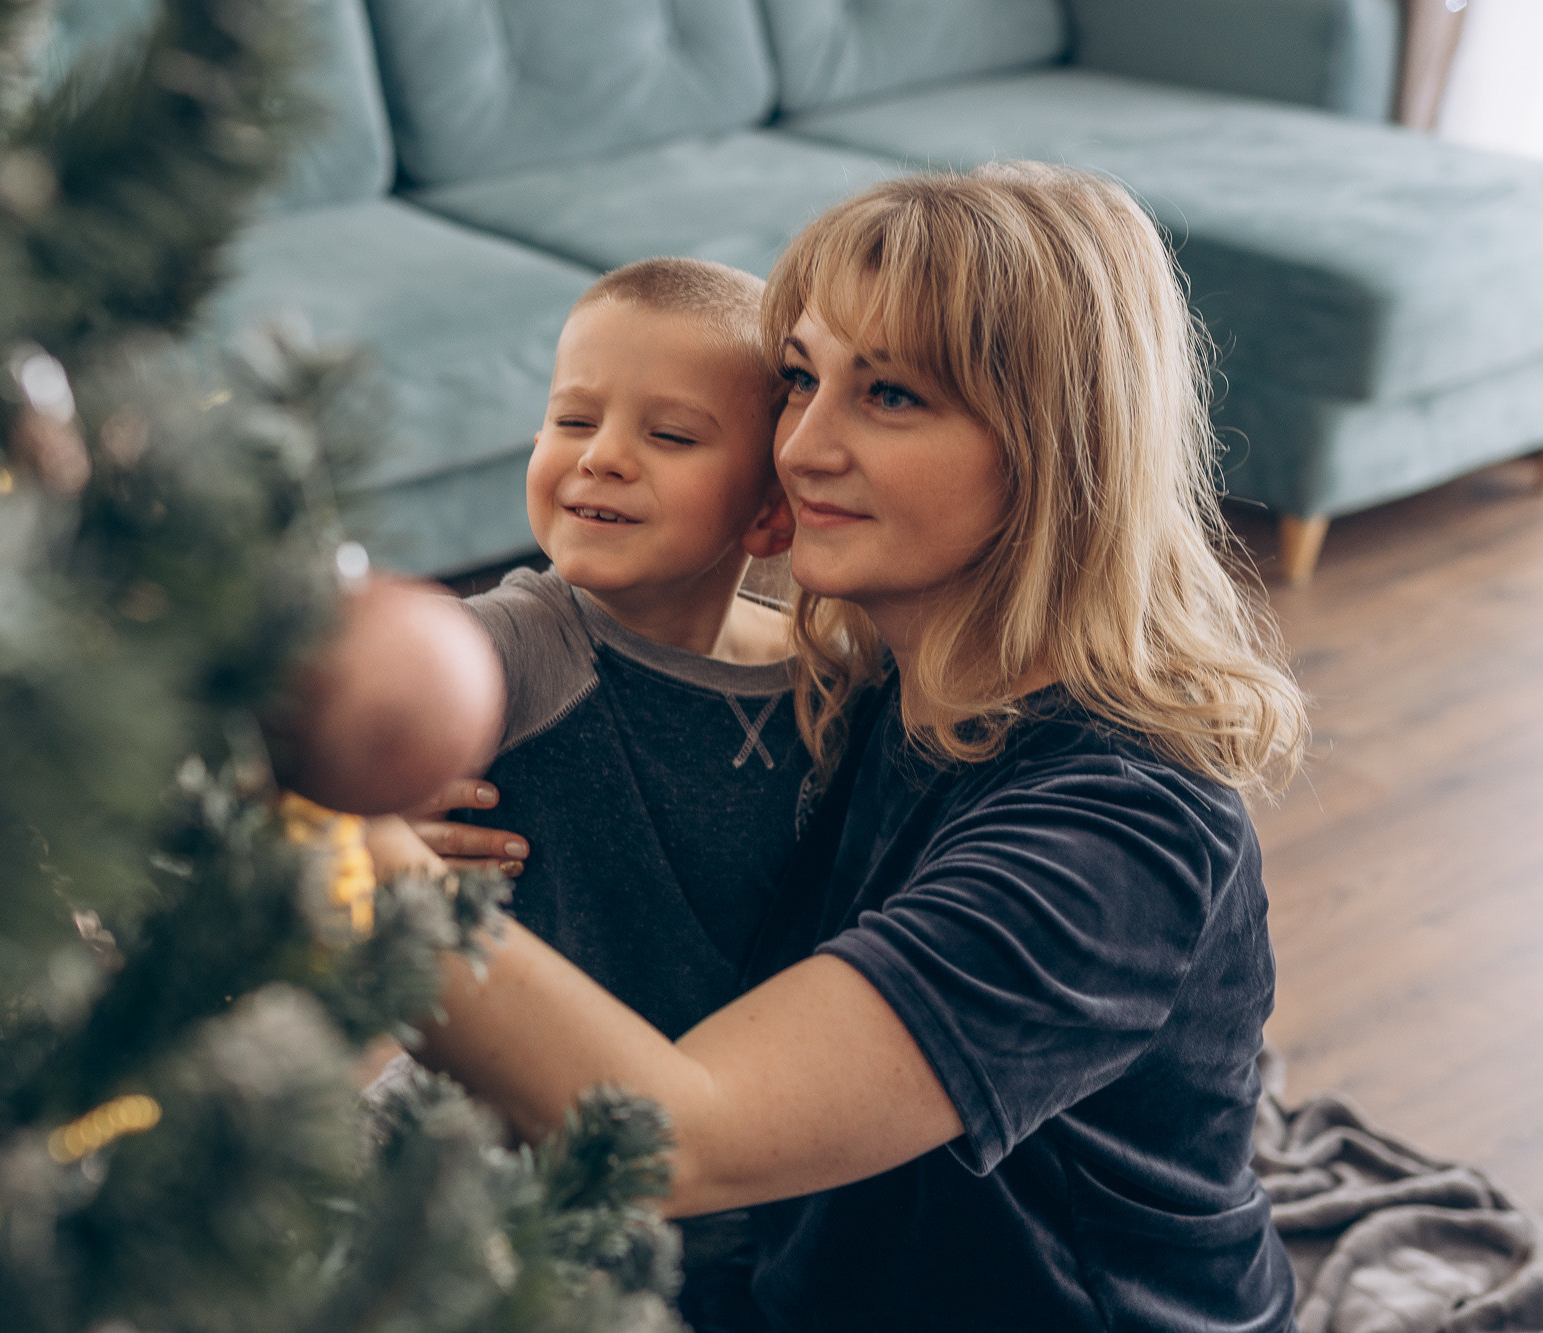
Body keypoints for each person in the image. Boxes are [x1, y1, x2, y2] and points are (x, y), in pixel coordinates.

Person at [372, 163, 1310, 1330]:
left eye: (892, 397)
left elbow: (676, 1133)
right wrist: (414, 788)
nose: (800, 446)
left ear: (1053, 447)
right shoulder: (862, 679)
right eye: (801, 380)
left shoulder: (1119, 837)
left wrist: (353, 866)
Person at [402, 257, 806, 1331]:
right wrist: (366, 814)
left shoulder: (830, 677)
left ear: (770, 513)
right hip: (524, 1185)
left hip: (746, 1180)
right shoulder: (523, 641)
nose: (601, 458)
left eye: (668, 437)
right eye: (570, 418)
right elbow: (344, 692)